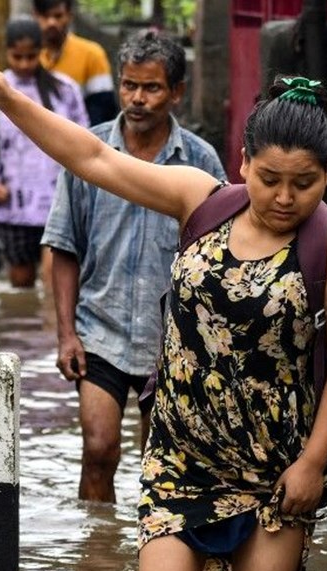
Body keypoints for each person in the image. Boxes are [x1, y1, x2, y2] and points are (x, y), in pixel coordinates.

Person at [0, 43, 327, 571]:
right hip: (184, 455)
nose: (284, 198)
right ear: (242, 163)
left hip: (276, 465)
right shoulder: (202, 201)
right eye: (269, 179)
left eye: (303, 183)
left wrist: (311, 463)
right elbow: (92, 157)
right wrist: (5, 97)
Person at [41, 30, 225, 503]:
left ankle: (149, 564)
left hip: (171, 341)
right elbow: (62, 247)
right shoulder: (88, 155)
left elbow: (221, 261)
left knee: (161, 464)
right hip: (99, 331)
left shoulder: (201, 163)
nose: (137, 99)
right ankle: (95, 558)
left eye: (151, 88)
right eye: (129, 86)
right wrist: (66, 334)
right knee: (99, 450)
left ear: (177, 92)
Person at [0, 17, 89, 288]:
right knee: (21, 285)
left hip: (59, 202)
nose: (23, 64)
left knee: (55, 282)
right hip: (12, 206)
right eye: (17, 56)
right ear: (6, 52)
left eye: (30, 56)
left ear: (41, 51)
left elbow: (86, 147)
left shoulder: (65, 90)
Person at [32, 0, 117, 124]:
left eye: (58, 16)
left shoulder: (92, 54)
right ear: (35, 16)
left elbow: (103, 110)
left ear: (69, 15)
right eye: (45, 16)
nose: (51, 22)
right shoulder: (28, 58)